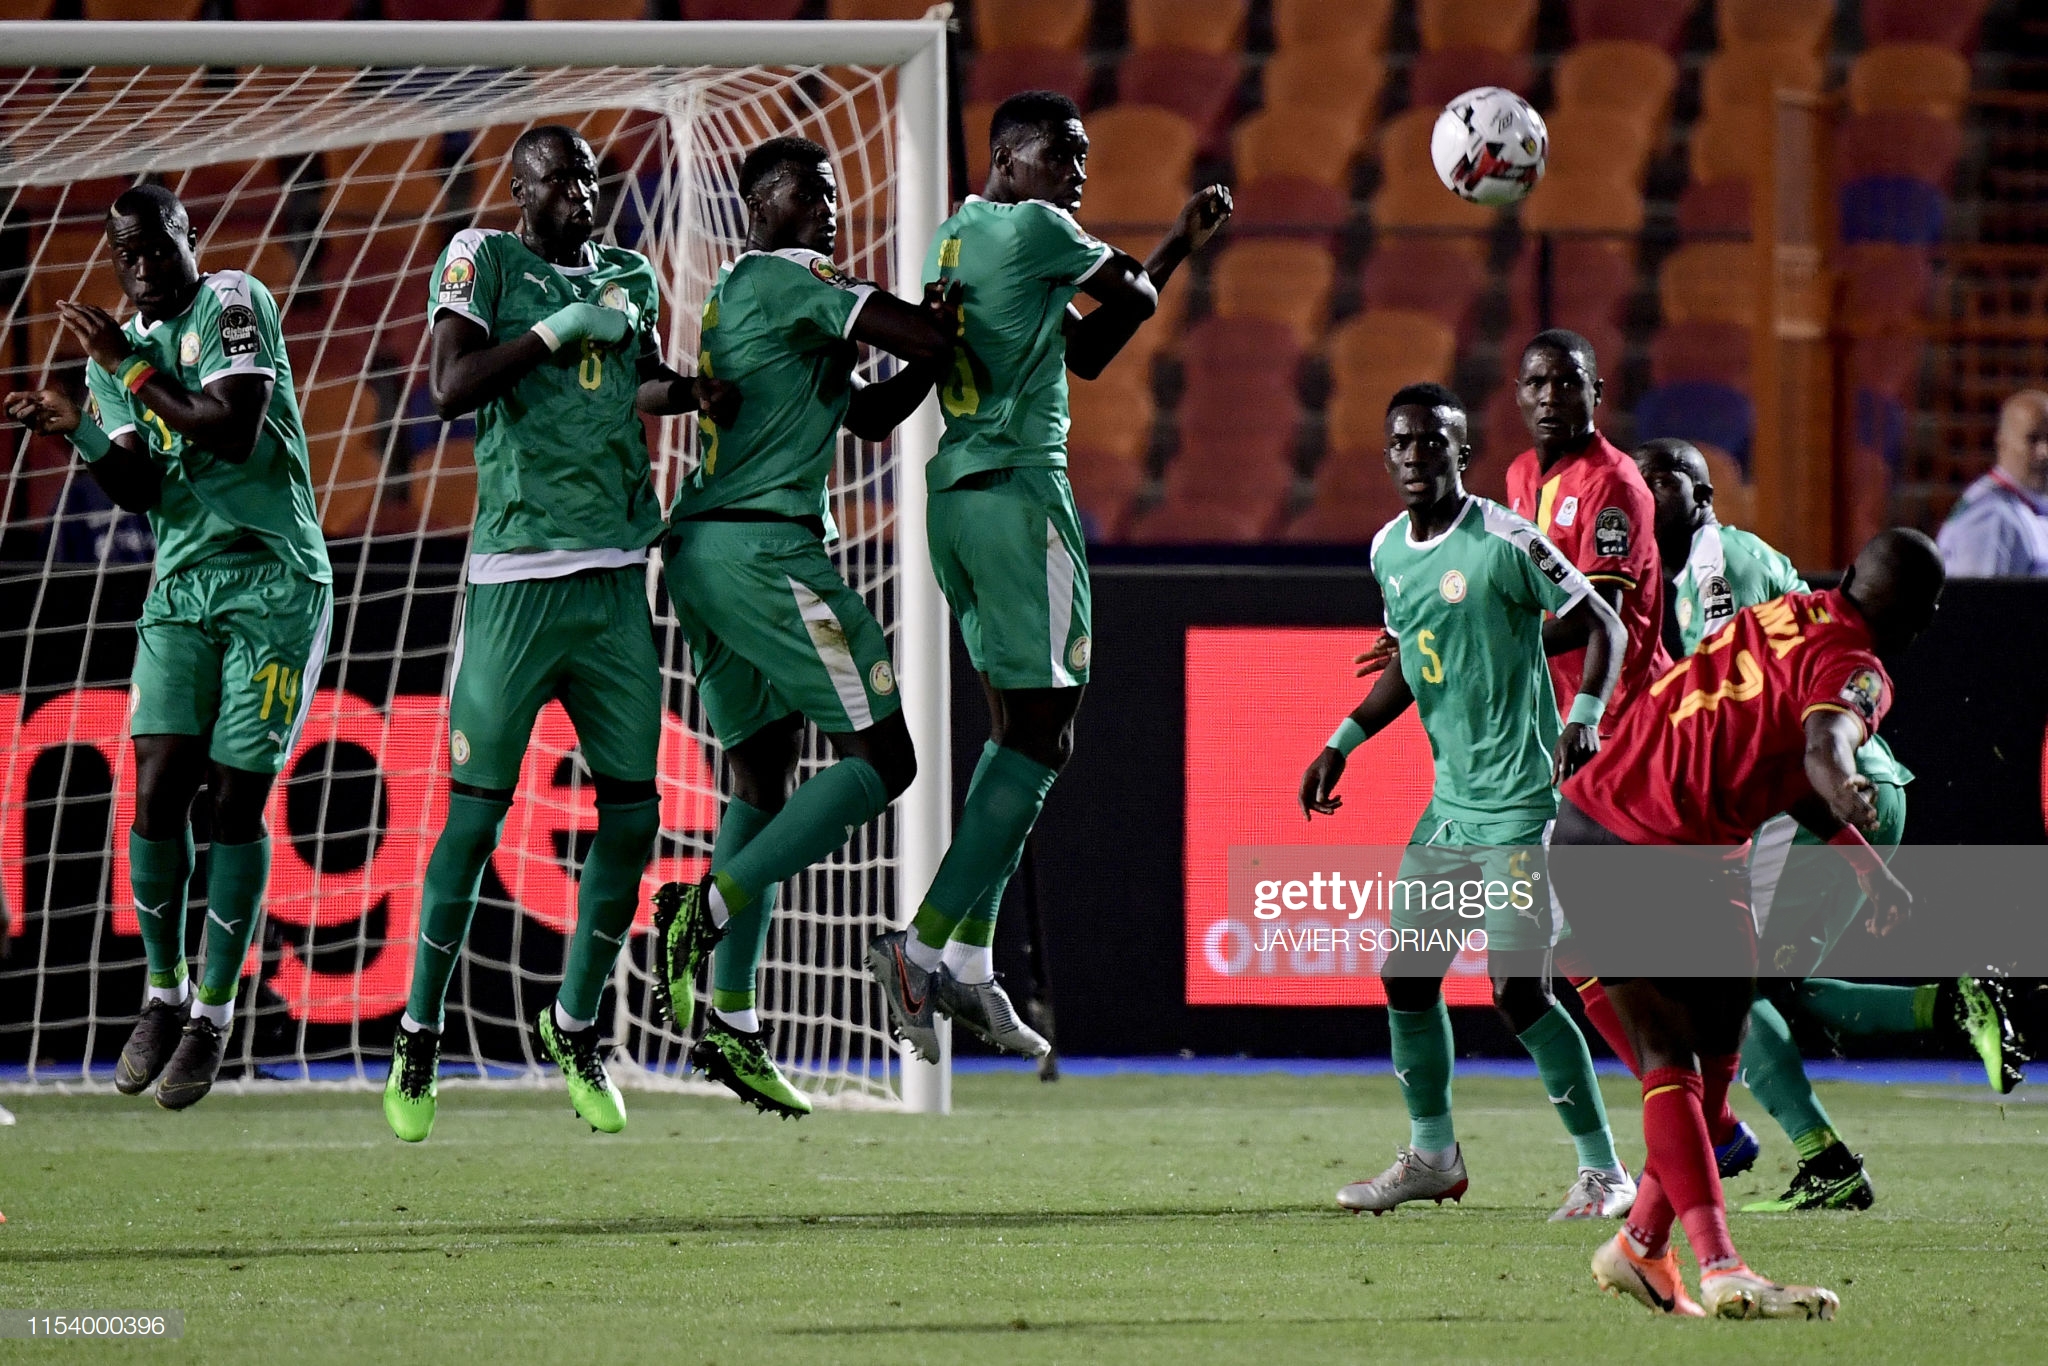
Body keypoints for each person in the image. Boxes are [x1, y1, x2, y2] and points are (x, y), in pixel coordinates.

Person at [381, 125, 733, 1142]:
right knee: (473, 819)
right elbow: (448, 389)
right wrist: (548, 331)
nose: (581, 196)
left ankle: (575, 1025)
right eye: (558, 183)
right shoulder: (480, 257)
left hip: (615, 581)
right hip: (514, 585)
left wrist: (691, 393)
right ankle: (417, 1029)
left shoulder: (625, 272)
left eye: (588, 179)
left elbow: (637, 384)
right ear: (519, 192)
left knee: (632, 816)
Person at [865, 90, 1230, 1058]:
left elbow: (1085, 352)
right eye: (1060, 153)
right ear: (1008, 156)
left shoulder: (957, 237)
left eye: (1083, 157)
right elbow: (1131, 305)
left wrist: (1171, 249)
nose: (1077, 173)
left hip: (956, 498)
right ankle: (923, 942)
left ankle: (975, 963)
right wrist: (1163, 259)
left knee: (1020, 736)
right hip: (1021, 496)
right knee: (1045, 734)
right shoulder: (1035, 226)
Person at [1553, 527, 1945, 1320]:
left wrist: (1864, 862)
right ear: (1917, 619)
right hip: (1639, 841)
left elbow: (1785, 757)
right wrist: (1845, 787)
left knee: (1717, 1051)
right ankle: (1721, 1265)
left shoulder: (1788, 615)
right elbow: (1824, 747)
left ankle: (1640, 1248)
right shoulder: (1857, 669)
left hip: (1649, 839)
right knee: (1674, 1057)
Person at [5, 184, 332, 1110]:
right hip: (182, 587)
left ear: (190, 238)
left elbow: (231, 431)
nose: (142, 263)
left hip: (275, 580)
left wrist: (127, 366)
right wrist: (82, 435)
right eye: (126, 251)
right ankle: (164, 990)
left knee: (234, 799)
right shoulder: (113, 361)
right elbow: (145, 487)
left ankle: (216, 1014)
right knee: (153, 789)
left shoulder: (233, 302)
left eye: (157, 245)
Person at [648, 136, 955, 1117]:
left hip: (701, 549)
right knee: (889, 759)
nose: (830, 204)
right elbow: (911, 333)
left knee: (762, 771)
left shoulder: (744, 291)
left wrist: (932, 351)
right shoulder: (789, 276)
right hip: (766, 554)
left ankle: (730, 1022)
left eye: (832, 190)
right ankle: (706, 905)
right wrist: (959, 316)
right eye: (809, 191)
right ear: (760, 202)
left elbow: (865, 415)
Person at [1639, 438, 2028, 1212]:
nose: (1641, 495)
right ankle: (1946, 1007)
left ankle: (1825, 1159)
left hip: (1824, 795)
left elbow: (1776, 723)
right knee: (1763, 985)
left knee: (1722, 980)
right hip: (1824, 793)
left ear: (1703, 495)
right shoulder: (1693, 572)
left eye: (1659, 480)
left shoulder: (1724, 572)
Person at [1299, 384, 1636, 1222]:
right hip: (1451, 808)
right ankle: (1432, 1156)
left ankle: (1605, 1173)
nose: (1417, 456)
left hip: (1518, 804)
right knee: (1407, 979)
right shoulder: (1386, 551)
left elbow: (1605, 622)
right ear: (1389, 456)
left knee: (1520, 992)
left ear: (1460, 450)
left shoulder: (1503, 540)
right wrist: (1342, 740)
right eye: (1402, 443)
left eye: (1432, 442)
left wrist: (1585, 716)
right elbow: (1416, 660)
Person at [1498, 329, 1674, 1091]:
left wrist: (1483, 642)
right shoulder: (1517, 475)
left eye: (1567, 382)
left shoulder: (1615, 486)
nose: (1550, 397)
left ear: (1598, 393)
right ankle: (1701, 1114)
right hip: (1567, 736)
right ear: (1517, 395)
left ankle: (1697, 1106)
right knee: (1569, 941)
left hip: (1626, 726)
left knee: (1609, 941)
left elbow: (1597, 613)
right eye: (1536, 383)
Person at [1936, 389, 2048, 577]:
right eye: (2033, 439)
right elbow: (1979, 601)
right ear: (2002, 442)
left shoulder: (2023, 505)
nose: (2044, 453)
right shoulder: (1991, 516)